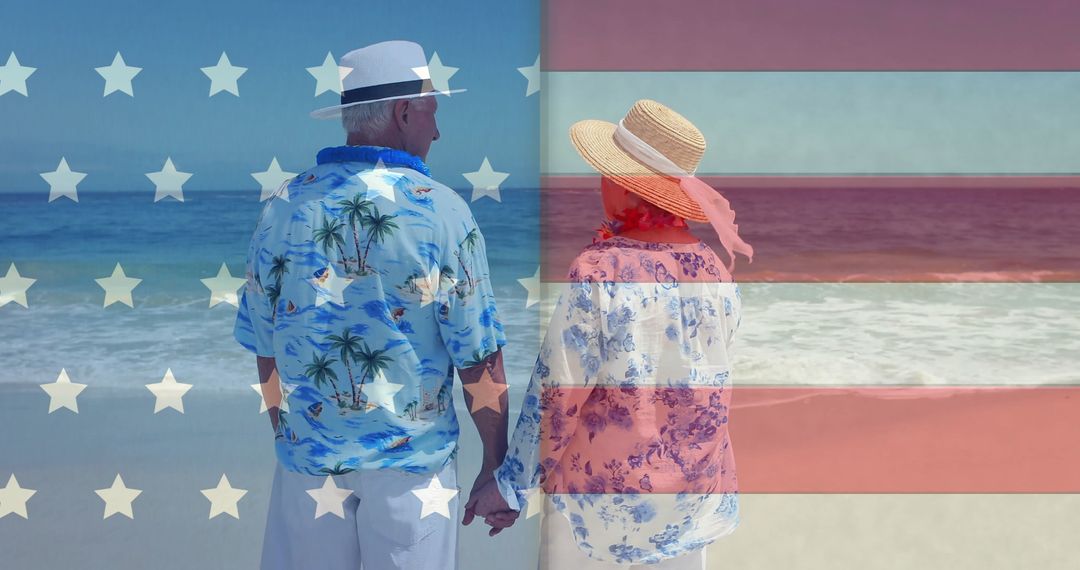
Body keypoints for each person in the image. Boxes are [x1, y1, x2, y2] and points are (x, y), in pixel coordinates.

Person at [233, 40, 510, 570]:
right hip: (412, 471)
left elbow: (265, 350)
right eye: (432, 112)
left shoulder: (283, 206)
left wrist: (292, 438)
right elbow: (479, 357)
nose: (437, 131)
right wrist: (494, 465)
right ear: (405, 112)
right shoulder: (443, 212)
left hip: (308, 467)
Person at [466, 99, 754, 568]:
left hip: (600, 511)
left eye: (608, 173)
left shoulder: (601, 269)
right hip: (694, 502)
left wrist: (510, 484)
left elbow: (558, 394)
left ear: (626, 186)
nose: (601, 182)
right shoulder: (715, 269)